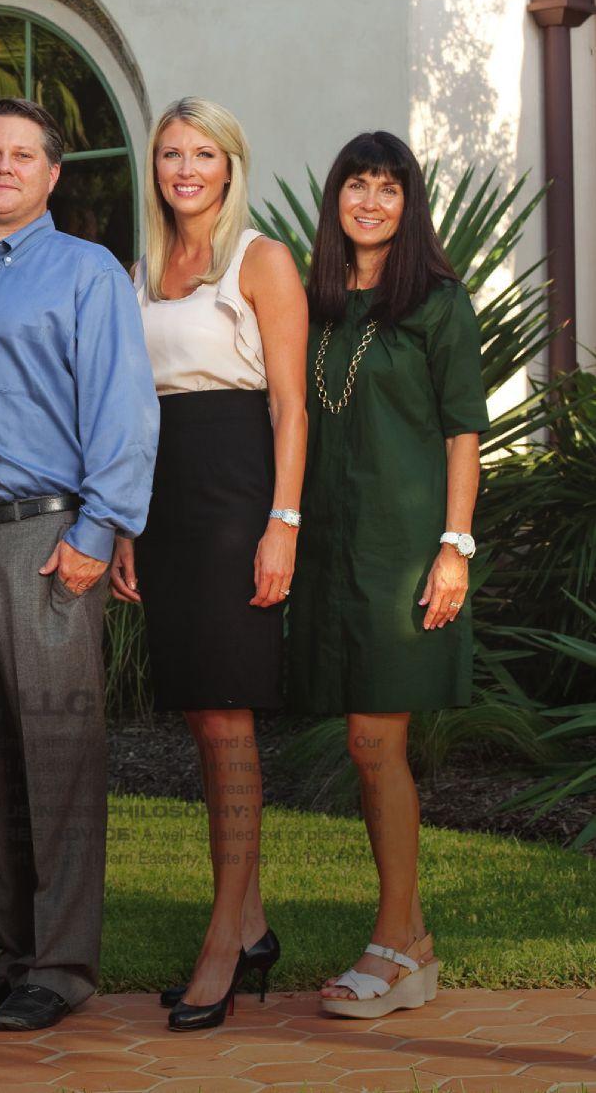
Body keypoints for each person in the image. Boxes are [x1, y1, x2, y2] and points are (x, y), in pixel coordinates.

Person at [0, 97, 159, 1032]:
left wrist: (99, 532)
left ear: (52, 175)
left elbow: (125, 406)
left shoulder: (87, 272)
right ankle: (13, 948)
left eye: (24, 155)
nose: (5, 167)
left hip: (46, 537)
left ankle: (61, 965)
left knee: (57, 752)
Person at [109, 98, 308, 1032]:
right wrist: (124, 524)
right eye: (170, 154)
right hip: (164, 496)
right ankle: (253, 923)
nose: (185, 169)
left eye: (202, 153)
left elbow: (291, 406)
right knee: (200, 712)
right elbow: (129, 407)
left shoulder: (261, 259)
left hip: (236, 495)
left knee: (229, 717)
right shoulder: (141, 270)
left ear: (230, 165)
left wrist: (283, 523)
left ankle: (224, 939)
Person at [288, 131, 487, 1019]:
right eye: (356, 185)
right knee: (364, 746)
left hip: (405, 551)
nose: (370, 202)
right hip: (328, 547)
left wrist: (455, 547)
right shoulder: (316, 304)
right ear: (336, 198)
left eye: (388, 188)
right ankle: (411, 946)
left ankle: (396, 943)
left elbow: (462, 433)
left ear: (409, 206)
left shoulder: (438, 304)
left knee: (377, 742)